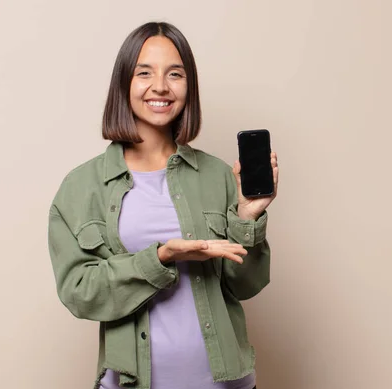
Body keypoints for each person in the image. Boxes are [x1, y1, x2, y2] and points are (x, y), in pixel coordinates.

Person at [47, 21, 278, 389]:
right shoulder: (81, 187)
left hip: (226, 382)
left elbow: (247, 285)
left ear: (189, 87)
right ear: (124, 83)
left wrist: (248, 217)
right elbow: (79, 294)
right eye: (144, 73)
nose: (160, 86)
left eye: (175, 74)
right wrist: (160, 258)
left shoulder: (217, 175)